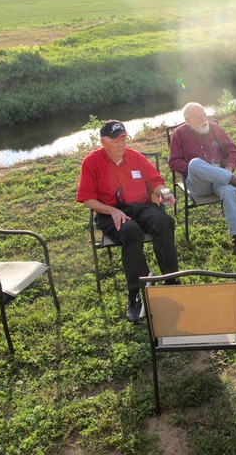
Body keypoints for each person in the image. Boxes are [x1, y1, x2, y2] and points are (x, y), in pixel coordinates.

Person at [76, 120, 179, 323]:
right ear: (103, 141)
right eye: (116, 140)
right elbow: (88, 199)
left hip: (142, 206)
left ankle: (171, 279)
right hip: (109, 211)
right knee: (131, 232)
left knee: (163, 221)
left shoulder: (135, 156)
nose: (122, 143)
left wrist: (163, 193)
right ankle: (136, 292)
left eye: (124, 138)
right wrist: (111, 210)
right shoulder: (91, 162)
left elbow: (155, 182)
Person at [168, 102, 236, 260]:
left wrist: (228, 168)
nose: (204, 119)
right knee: (195, 163)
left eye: (204, 115)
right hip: (198, 184)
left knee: (229, 191)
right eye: (199, 117)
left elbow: (232, 151)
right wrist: (198, 169)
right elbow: (174, 161)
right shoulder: (179, 134)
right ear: (187, 121)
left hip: (221, 179)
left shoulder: (214, 128)